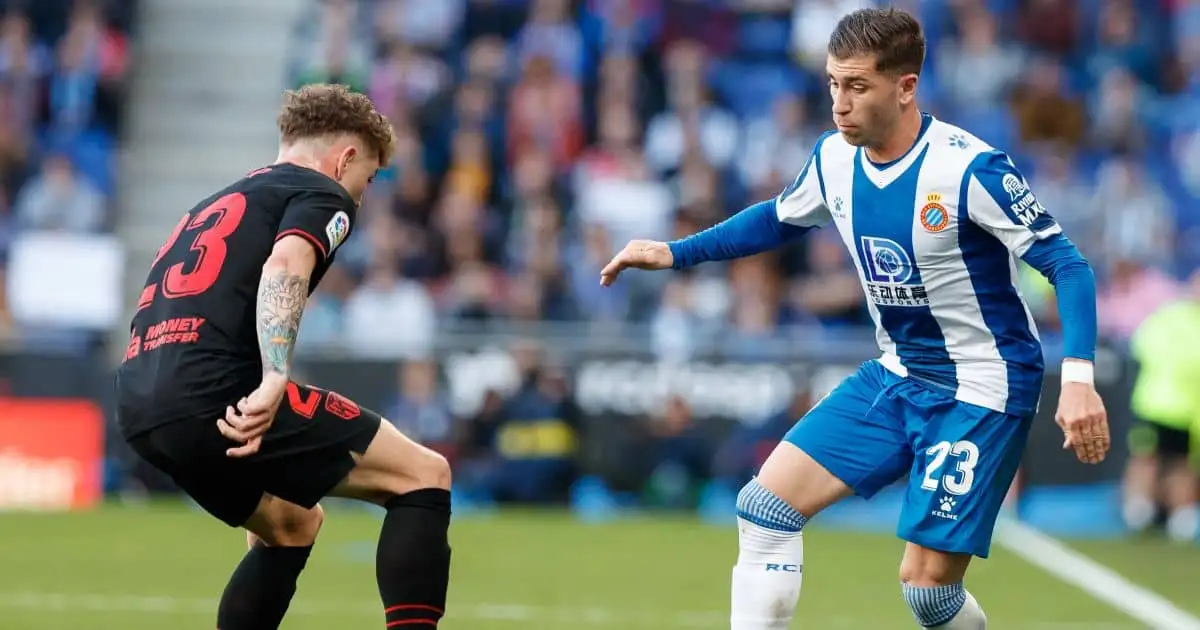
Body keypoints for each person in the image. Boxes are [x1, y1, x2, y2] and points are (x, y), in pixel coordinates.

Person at [599, 9, 1109, 630]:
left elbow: (1068, 265)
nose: (840, 103)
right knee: (764, 506)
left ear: (906, 87)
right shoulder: (834, 159)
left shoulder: (970, 170)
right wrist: (676, 252)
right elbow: (777, 218)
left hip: (981, 388)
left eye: (858, 86)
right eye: (834, 84)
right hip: (898, 373)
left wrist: (1078, 378)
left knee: (926, 591)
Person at [115, 84, 452, 630]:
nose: (360, 199)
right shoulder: (321, 193)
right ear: (345, 159)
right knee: (423, 475)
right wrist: (275, 375)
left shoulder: (210, 206)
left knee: (290, 524)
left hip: (140, 403)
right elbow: (285, 266)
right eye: (366, 179)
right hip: (217, 394)